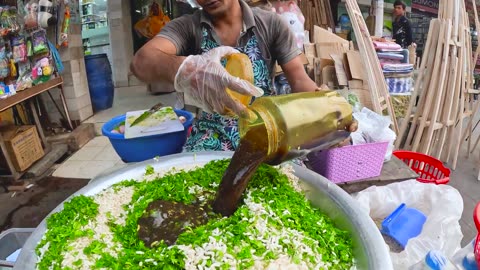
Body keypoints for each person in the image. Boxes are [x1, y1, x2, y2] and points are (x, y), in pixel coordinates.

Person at [130, 0, 319, 152]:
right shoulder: (188, 27)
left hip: (265, 130)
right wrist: (187, 68)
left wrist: (327, 105)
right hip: (211, 134)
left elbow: (299, 79)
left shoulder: (271, 24)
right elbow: (140, 63)